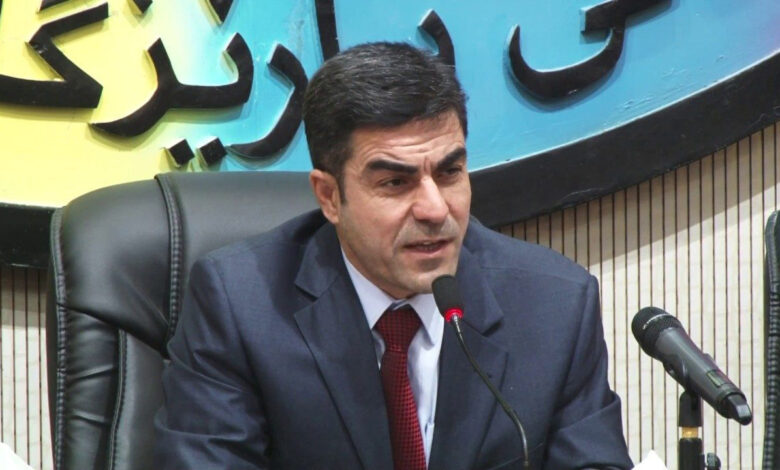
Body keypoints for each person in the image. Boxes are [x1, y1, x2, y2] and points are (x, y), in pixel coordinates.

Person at [154, 42, 633, 470]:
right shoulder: (240, 305)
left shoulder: (554, 305)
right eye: (395, 183)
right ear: (329, 197)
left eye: (449, 173)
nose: (435, 209)